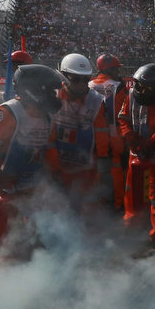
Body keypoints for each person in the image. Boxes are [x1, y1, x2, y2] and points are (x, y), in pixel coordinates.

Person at [0, 64, 64, 256]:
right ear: (33, 91)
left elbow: (48, 148)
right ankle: (5, 258)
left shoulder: (47, 117)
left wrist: (55, 173)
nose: (54, 96)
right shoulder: (8, 112)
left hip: (31, 177)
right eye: (49, 91)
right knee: (10, 219)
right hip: (4, 178)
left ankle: (33, 251)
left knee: (40, 214)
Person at [118, 64, 155, 244]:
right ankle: (132, 228)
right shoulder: (131, 97)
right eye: (138, 85)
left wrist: (150, 143)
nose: (140, 90)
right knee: (132, 195)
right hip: (135, 154)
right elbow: (123, 118)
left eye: (145, 88)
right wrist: (130, 136)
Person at [47, 53, 108, 210]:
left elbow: (101, 136)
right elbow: (47, 135)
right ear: (64, 77)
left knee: (86, 208)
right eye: (76, 79)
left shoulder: (96, 101)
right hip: (56, 166)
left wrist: (103, 164)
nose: (82, 84)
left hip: (85, 168)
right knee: (57, 208)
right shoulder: (51, 96)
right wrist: (53, 167)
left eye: (85, 79)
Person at [89, 53, 130, 212]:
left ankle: (100, 205)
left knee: (96, 173)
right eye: (116, 69)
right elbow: (125, 113)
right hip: (115, 139)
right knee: (117, 173)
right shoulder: (119, 86)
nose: (118, 73)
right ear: (110, 69)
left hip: (92, 139)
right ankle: (119, 204)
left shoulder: (89, 85)